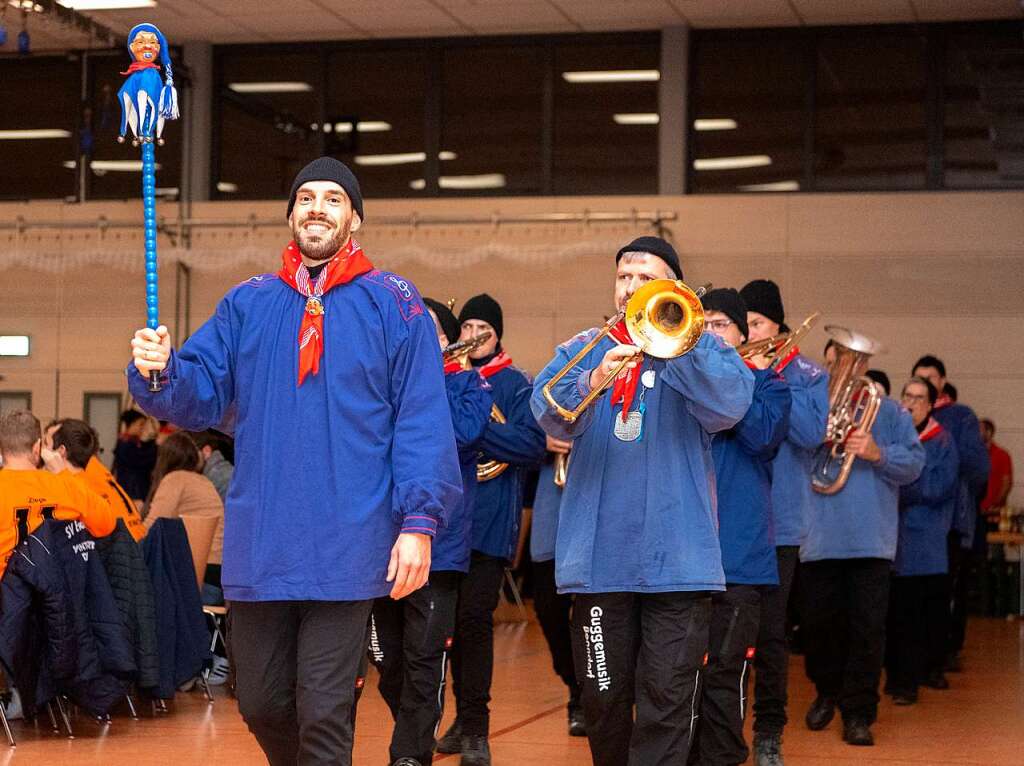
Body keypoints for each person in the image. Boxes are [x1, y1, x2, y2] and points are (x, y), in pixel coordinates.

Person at [127, 156, 462, 766]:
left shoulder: (396, 303)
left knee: (326, 712)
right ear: (290, 216)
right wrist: (159, 369)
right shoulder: (247, 303)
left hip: (350, 542)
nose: (317, 207)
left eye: (333, 198)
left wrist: (419, 523)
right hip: (265, 543)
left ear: (354, 218)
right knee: (260, 703)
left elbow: (421, 419)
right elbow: (198, 392)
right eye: (305, 197)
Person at [531, 236, 754, 766]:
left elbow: (732, 405)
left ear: (671, 287)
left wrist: (679, 346)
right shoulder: (585, 346)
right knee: (603, 701)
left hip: (677, 565)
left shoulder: (701, 348)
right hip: (600, 565)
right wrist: (594, 377)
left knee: (666, 703)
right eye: (623, 277)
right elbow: (544, 409)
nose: (630, 288)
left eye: (644, 278)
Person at [367, 297, 492, 766]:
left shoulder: (470, 384)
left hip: (440, 546)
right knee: (388, 662)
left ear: (447, 341)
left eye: (430, 331)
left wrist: (427, 377)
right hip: (382, 542)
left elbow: (457, 433)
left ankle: (409, 754)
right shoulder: (385, 384)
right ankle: (413, 732)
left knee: (423, 660)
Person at [437, 293, 547, 766]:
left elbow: (532, 446)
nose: (473, 335)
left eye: (483, 326)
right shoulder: (448, 377)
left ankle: (476, 728)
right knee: (448, 631)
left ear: (498, 333)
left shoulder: (516, 385)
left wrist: (475, 427)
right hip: (449, 522)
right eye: (467, 327)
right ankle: (460, 717)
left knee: (474, 624)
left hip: (490, 525)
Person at [801, 343, 925, 747]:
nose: (845, 367)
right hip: (819, 539)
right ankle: (827, 691)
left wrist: (877, 452)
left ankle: (858, 713)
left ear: (867, 365)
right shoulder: (811, 404)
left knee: (867, 633)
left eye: (854, 360)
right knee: (820, 629)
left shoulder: (889, 412)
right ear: (827, 363)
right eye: (837, 359)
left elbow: (914, 464)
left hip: (871, 543)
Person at [692, 288, 792, 766]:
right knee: (675, 676)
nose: (708, 333)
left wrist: (723, 381)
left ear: (740, 334)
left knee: (724, 675)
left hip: (738, 559)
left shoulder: (769, 384)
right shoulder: (681, 384)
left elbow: (762, 436)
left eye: (718, 325)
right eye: (702, 324)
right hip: (683, 558)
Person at [740, 279, 829, 766]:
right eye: (746, 323)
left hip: (781, 523)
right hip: (732, 517)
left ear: (778, 325)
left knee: (771, 636)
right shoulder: (732, 362)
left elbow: (813, 432)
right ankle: (723, 728)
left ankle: (769, 731)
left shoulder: (808, 374)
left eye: (757, 323)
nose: (750, 331)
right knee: (729, 635)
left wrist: (770, 378)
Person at [911, 355, 989, 671]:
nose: (925, 384)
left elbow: (979, 468)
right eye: (918, 378)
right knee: (912, 593)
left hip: (950, 519)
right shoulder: (906, 416)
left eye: (930, 378)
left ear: (942, 382)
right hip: (909, 519)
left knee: (945, 591)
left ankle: (942, 653)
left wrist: (946, 455)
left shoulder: (960, 418)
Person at [885, 377, 959, 705]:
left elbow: (935, 488)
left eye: (919, 398)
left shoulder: (942, 442)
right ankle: (894, 678)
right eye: (907, 396)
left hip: (923, 545)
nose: (912, 403)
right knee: (892, 617)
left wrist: (896, 483)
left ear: (930, 406)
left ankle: (907, 683)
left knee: (915, 619)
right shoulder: (894, 435)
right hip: (890, 542)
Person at [0, 409, 116, 577]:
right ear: (37, 447)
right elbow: (106, 523)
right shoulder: (64, 485)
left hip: (7, 594)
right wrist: (64, 474)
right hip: (54, 593)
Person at [530, 435, 585, 737]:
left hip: (603, 493)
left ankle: (591, 694)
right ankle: (576, 684)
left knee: (599, 608)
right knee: (548, 605)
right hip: (553, 499)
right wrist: (541, 438)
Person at [143, 431, 225, 600]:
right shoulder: (203, 480)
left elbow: (151, 525)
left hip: (199, 573)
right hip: (218, 571)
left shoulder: (175, 479)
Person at [48, 418, 146, 542]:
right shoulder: (96, 467)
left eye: (47, 444)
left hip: (123, 547)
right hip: (136, 540)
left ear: (61, 450)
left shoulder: (78, 475)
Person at [113, 409, 158, 503]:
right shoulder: (125, 444)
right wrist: (155, 445)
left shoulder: (133, 442)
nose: (143, 428)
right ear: (132, 424)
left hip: (136, 490)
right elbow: (142, 461)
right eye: (140, 424)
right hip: (132, 491)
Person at [980, 418, 1013, 519]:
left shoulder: (1002, 455)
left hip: (993, 513)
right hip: (975, 512)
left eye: (979, 430)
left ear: (989, 433)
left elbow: (1006, 484)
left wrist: (996, 505)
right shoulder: (975, 456)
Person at [190, 430, 233, 503]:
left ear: (206, 451)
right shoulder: (217, 472)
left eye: (190, 455)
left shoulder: (221, 477)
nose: (185, 460)